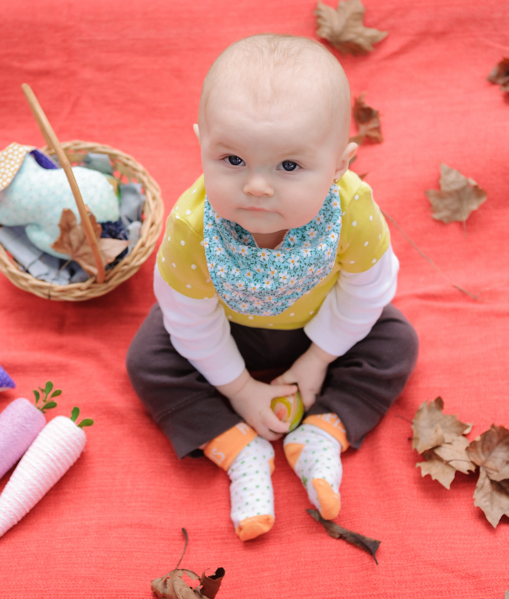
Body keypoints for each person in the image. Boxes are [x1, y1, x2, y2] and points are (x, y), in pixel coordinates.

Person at [126, 33, 418, 541]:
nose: (256, 186)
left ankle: (324, 432)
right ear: (201, 144)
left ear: (339, 166)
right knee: (149, 358)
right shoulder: (192, 227)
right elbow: (191, 321)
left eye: (289, 166)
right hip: (227, 328)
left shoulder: (351, 211)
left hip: (320, 323)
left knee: (397, 340)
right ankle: (239, 448)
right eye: (232, 161)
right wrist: (239, 390)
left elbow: (367, 290)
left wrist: (318, 357)